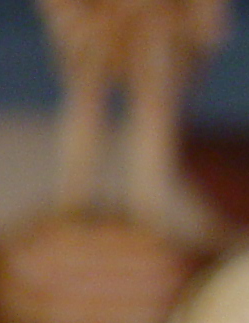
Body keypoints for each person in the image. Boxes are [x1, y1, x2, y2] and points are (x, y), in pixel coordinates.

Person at [36, 0, 228, 230]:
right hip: (96, 19)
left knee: (151, 108)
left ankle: (145, 209)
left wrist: (203, 25)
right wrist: (69, 21)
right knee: (88, 102)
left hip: (156, 23)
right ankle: (75, 200)